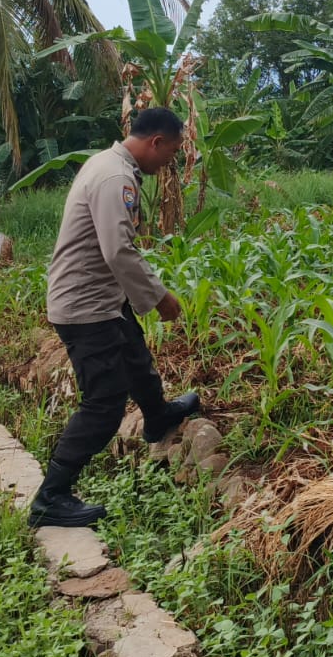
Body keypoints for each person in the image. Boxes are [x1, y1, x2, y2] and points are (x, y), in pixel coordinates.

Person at [28, 106, 202, 528]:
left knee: (134, 357)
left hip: (101, 298)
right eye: (171, 152)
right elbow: (118, 251)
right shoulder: (115, 178)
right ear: (155, 142)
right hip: (85, 307)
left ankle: (157, 416)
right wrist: (160, 298)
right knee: (104, 403)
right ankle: (51, 497)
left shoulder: (108, 164)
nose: (170, 162)